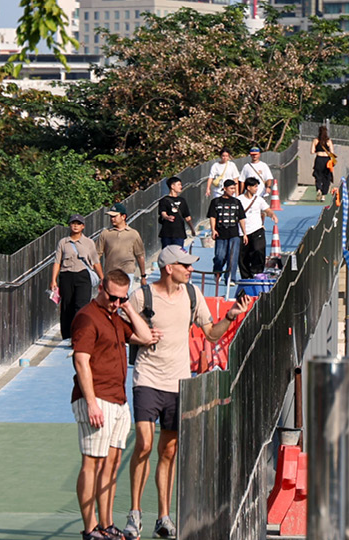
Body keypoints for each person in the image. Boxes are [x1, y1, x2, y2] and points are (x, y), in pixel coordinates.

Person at [122, 246, 255, 539]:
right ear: (169, 267)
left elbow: (210, 332)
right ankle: (134, 514)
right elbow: (121, 332)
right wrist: (140, 337)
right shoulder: (142, 296)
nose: (191, 269)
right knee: (144, 443)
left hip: (179, 382)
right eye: (185, 265)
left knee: (169, 450)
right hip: (147, 379)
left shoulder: (192, 295)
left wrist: (231, 316)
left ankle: (164, 517)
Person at [71, 270, 160, 540]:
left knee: (112, 462)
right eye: (112, 297)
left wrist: (128, 308)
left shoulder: (115, 316)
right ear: (100, 288)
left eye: (120, 298)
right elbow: (81, 360)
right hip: (96, 398)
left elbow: (145, 337)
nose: (115, 302)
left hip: (117, 399)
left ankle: (106, 524)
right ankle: (90, 528)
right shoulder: (88, 317)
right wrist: (91, 404)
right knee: (92, 463)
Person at [51, 214, 103, 342]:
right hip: (66, 275)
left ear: (83, 226)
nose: (75, 225)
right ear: (69, 225)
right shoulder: (63, 242)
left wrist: (103, 278)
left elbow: (96, 262)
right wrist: (53, 280)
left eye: (78, 223)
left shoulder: (89, 243)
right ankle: (67, 335)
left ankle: (80, 335)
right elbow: (57, 262)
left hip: (82, 275)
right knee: (67, 306)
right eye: (73, 223)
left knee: (82, 305)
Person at [99, 202, 147, 289]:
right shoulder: (105, 233)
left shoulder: (133, 234)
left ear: (123, 216)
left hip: (127, 272)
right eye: (111, 216)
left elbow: (140, 255)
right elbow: (97, 255)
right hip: (110, 272)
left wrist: (143, 276)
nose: (112, 219)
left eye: (114, 216)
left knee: (124, 298)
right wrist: (101, 276)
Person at [237, 177, 278, 279]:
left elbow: (267, 210)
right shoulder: (239, 200)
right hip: (243, 232)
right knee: (243, 255)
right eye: (255, 186)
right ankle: (246, 276)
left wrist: (272, 215)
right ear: (248, 187)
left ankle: (257, 272)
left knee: (259, 250)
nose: (256, 189)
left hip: (257, 229)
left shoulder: (259, 200)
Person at [207, 179, 246, 285]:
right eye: (231, 188)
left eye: (234, 188)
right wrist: (213, 229)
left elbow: (241, 218)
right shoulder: (215, 202)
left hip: (234, 233)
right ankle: (217, 271)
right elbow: (212, 217)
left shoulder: (237, 202)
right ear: (224, 189)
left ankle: (230, 278)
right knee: (220, 256)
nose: (233, 190)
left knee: (232, 256)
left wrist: (244, 233)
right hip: (220, 234)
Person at [157, 177, 195, 250]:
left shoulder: (182, 200)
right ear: (172, 186)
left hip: (179, 233)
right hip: (167, 233)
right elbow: (163, 213)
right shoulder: (164, 200)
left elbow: (187, 217)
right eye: (179, 185)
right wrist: (167, 217)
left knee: (178, 255)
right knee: (167, 255)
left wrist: (192, 229)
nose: (181, 187)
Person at [311, 125, 335, 201]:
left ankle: (319, 189)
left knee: (318, 175)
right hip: (327, 160)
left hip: (319, 159)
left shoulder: (316, 140)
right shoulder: (328, 141)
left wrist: (318, 150)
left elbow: (311, 151)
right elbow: (332, 152)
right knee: (326, 177)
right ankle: (324, 195)